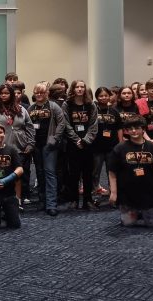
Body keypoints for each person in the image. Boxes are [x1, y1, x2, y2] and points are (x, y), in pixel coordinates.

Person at [108, 114, 153, 227]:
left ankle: (148, 213)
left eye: (137, 128)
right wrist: (114, 193)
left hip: (149, 194)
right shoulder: (119, 148)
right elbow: (112, 172)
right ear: (126, 131)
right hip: (127, 195)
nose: (134, 131)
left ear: (143, 129)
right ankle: (137, 212)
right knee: (128, 224)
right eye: (130, 129)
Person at [0, 84, 35, 207]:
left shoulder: (21, 109)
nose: (4, 95)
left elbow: (29, 127)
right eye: (1, 93)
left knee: (18, 174)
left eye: (7, 93)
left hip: (19, 147)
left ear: (12, 95)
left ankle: (17, 200)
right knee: (0, 172)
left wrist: (30, 143)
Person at [27, 82, 66, 216]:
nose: (39, 95)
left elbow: (61, 122)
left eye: (42, 92)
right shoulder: (30, 108)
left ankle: (51, 204)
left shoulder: (53, 106)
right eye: (36, 92)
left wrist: (55, 138)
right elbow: (27, 125)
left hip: (49, 146)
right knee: (39, 173)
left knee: (50, 173)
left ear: (47, 93)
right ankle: (42, 201)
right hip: (35, 145)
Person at [62, 80, 98, 210]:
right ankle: (74, 200)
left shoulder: (91, 105)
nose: (80, 89)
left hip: (88, 144)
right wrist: (77, 139)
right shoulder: (67, 104)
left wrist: (85, 140)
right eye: (77, 87)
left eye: (82, 87)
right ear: (73, 89)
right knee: (74, 174)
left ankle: (88, 200)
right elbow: (66, 124)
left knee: (88, 173)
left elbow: (94, 125)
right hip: (73, 144)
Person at [92, 87, 122, 201]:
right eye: (101, 96)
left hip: (112, 147)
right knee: (95, 171)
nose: (103, 98)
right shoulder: (94, 110)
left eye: (106, 95)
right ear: (97, 97)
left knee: (111, 171)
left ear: (109, 96)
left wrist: (120, 144)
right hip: (97, 147)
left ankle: (113, 193)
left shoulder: (114, 111)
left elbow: (119, 128)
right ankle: (94, 192)